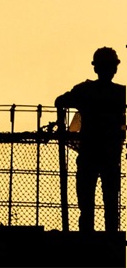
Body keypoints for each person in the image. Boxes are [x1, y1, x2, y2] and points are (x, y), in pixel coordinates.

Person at [54, 47, 126, 232]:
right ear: (114, 69)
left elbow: (60, 101)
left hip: (89, 155)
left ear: (96, 68)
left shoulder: (85, 91)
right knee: (110, 202)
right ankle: (110, 237)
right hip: (109, 156)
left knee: (87, 202)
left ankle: (87, 238)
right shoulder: (120, 94)